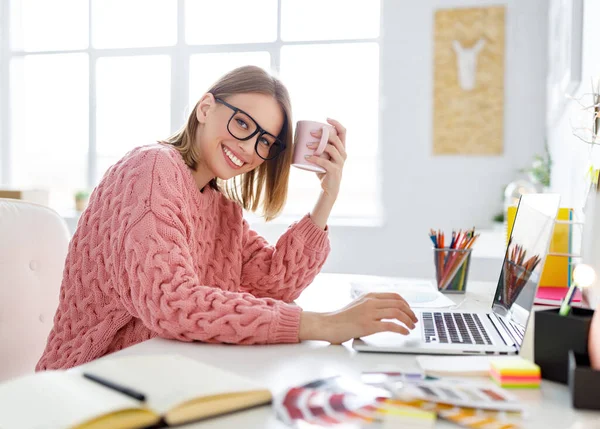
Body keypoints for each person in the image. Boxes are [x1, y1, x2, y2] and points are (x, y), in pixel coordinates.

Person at [36, 66, 417, 371]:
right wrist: (325, 324)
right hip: (90, 381)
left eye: (265, 141)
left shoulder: (221, 206)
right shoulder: (152, 168)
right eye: (242, 124)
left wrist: (327, 196)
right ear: (205, 108)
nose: (249, 148)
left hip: (163, 373)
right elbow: (172, 303)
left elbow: (272, 283)